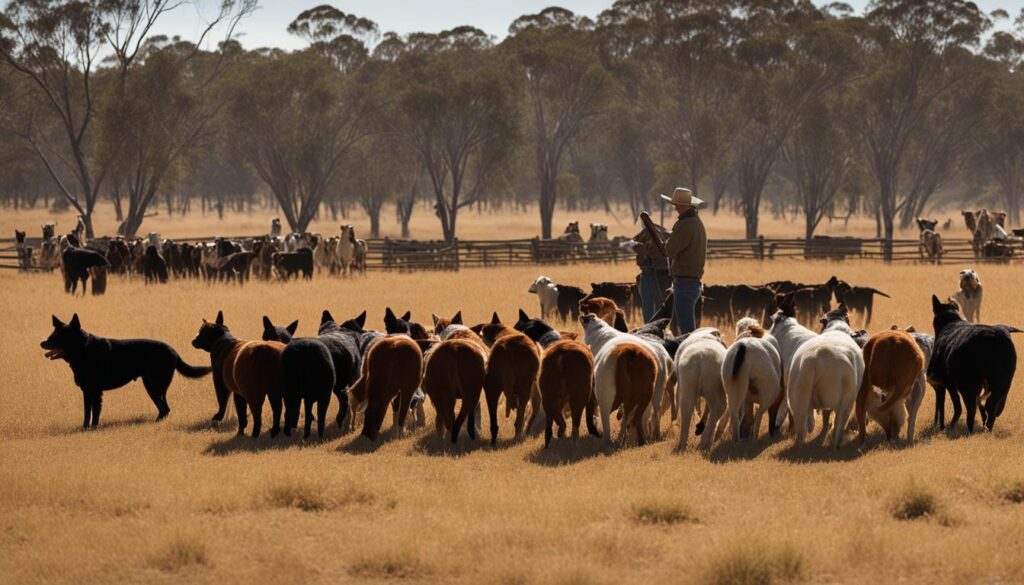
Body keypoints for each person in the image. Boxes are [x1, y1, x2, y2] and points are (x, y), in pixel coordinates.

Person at [661, 187, 707, 334]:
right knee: (681, 329)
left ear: (681, 206)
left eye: (676, 204)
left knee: (687, 332)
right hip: (692, 283)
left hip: (684, 284)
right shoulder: (697, 223)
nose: (674, 207)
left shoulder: (684, 225)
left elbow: (668, 250)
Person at [633, 223, 672, 323]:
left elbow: (635, 246)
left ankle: (654, 327)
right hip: (656, 274)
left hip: (655, 275)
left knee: (654, 306)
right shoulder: (663, 238)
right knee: (655, 306)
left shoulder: (648, 239)